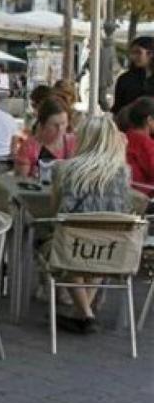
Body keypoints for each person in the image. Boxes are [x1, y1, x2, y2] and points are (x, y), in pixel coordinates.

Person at [50, 115, 134, 334]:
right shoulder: (122, 172)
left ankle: (85, 313)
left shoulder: (67, 169)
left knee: (66, 243)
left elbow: (59, 212)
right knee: (101, 241)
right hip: (111, 249)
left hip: (73, 247)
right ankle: (83, 312)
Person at [14, 98, 75, 178]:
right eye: (54, 125)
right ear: (43, 124)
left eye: (63, 123)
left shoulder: (73, 143)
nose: (60, 129)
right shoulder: (29, 147)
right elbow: (21, 180)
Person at [111, 36, 154, 114]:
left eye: (138, 52)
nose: (133, 57)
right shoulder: (125, 79)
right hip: (129, 124)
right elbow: (117, 108)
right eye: (132, 53)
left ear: (151, 53)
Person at [121, 97, 154, 197]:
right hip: (144, 197)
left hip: (126, 191)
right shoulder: (145, 143)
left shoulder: (125, 137)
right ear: (149, 120)